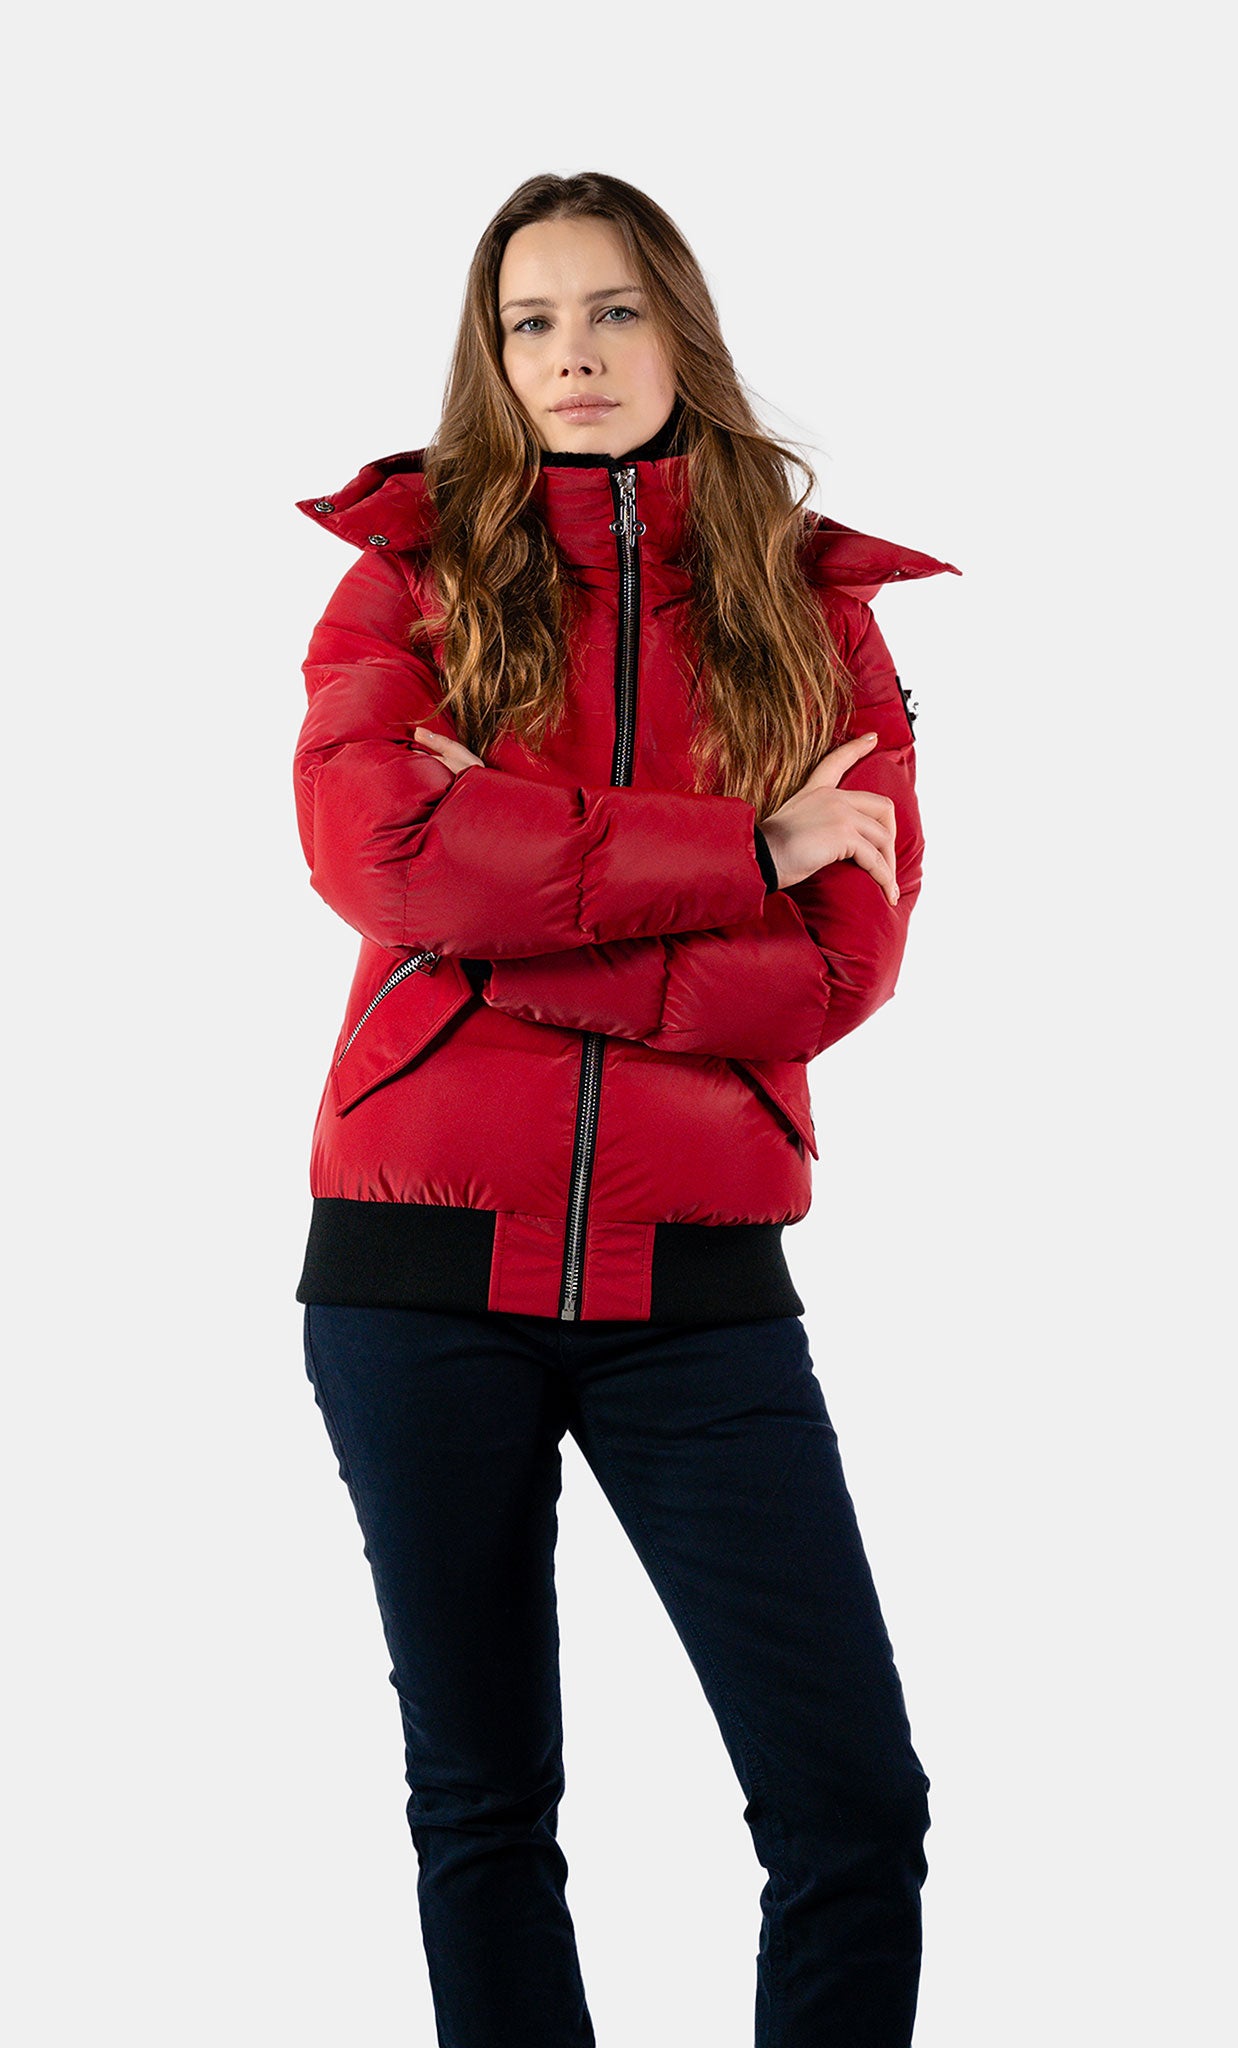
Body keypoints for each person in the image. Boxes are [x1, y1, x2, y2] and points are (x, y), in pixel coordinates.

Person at [290, 169, 960, 2048]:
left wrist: (501, 920)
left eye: (611, 311)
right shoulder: (410, 579)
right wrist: (739, 848)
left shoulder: (813, 614)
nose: (570, 354)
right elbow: (382, 858)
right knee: (483, 1802)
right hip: (414, 1283)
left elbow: (835, 971)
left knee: (852, 1807)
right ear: (489, 357)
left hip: (698, 1294)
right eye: (529, 321)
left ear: (681, 331)